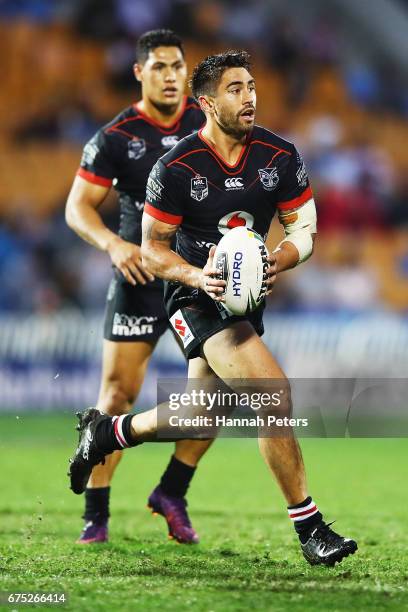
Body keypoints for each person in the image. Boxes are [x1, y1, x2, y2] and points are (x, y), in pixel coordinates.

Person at [68, 50, 358, 566]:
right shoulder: (176, 167)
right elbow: (154, 248)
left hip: (246, 296)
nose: (249, 97)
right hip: (194, 295)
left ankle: (109, 431)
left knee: (201, 411)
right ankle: (311, 528)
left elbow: (304, 230)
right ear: (206, 102)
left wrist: (280, 259)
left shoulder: (279, 155)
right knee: (273, 396)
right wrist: (195, 275)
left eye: (251, 86)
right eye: (234, 89)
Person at [65, 29, 213, 545]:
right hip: (139, 277)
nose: (171, 76)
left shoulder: (207, 122)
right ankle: (96, 516)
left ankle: (172, 490)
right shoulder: (116, 136)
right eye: (160, 67)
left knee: (216, 394)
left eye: (178, 67)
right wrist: (112, 244)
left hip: (196, 282)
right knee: (117, 394)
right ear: (139, 72)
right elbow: (77, 207)